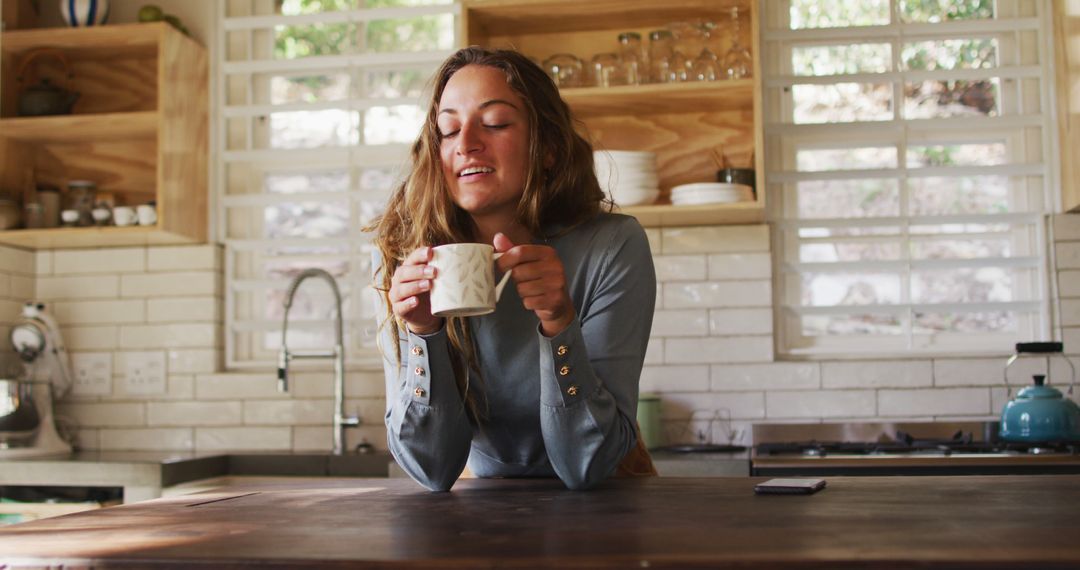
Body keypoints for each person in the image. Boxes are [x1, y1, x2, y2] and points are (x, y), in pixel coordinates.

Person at [369, 46, 656, 492]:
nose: (465, 143)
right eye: (448, 128)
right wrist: (423, 334)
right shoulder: (401, 253)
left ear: (549, 149)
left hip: (609, 499)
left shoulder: (611, 246)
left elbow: (588, 464)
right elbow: (430, 469)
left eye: (496, 123)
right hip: (484, 507)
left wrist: (560, 323)